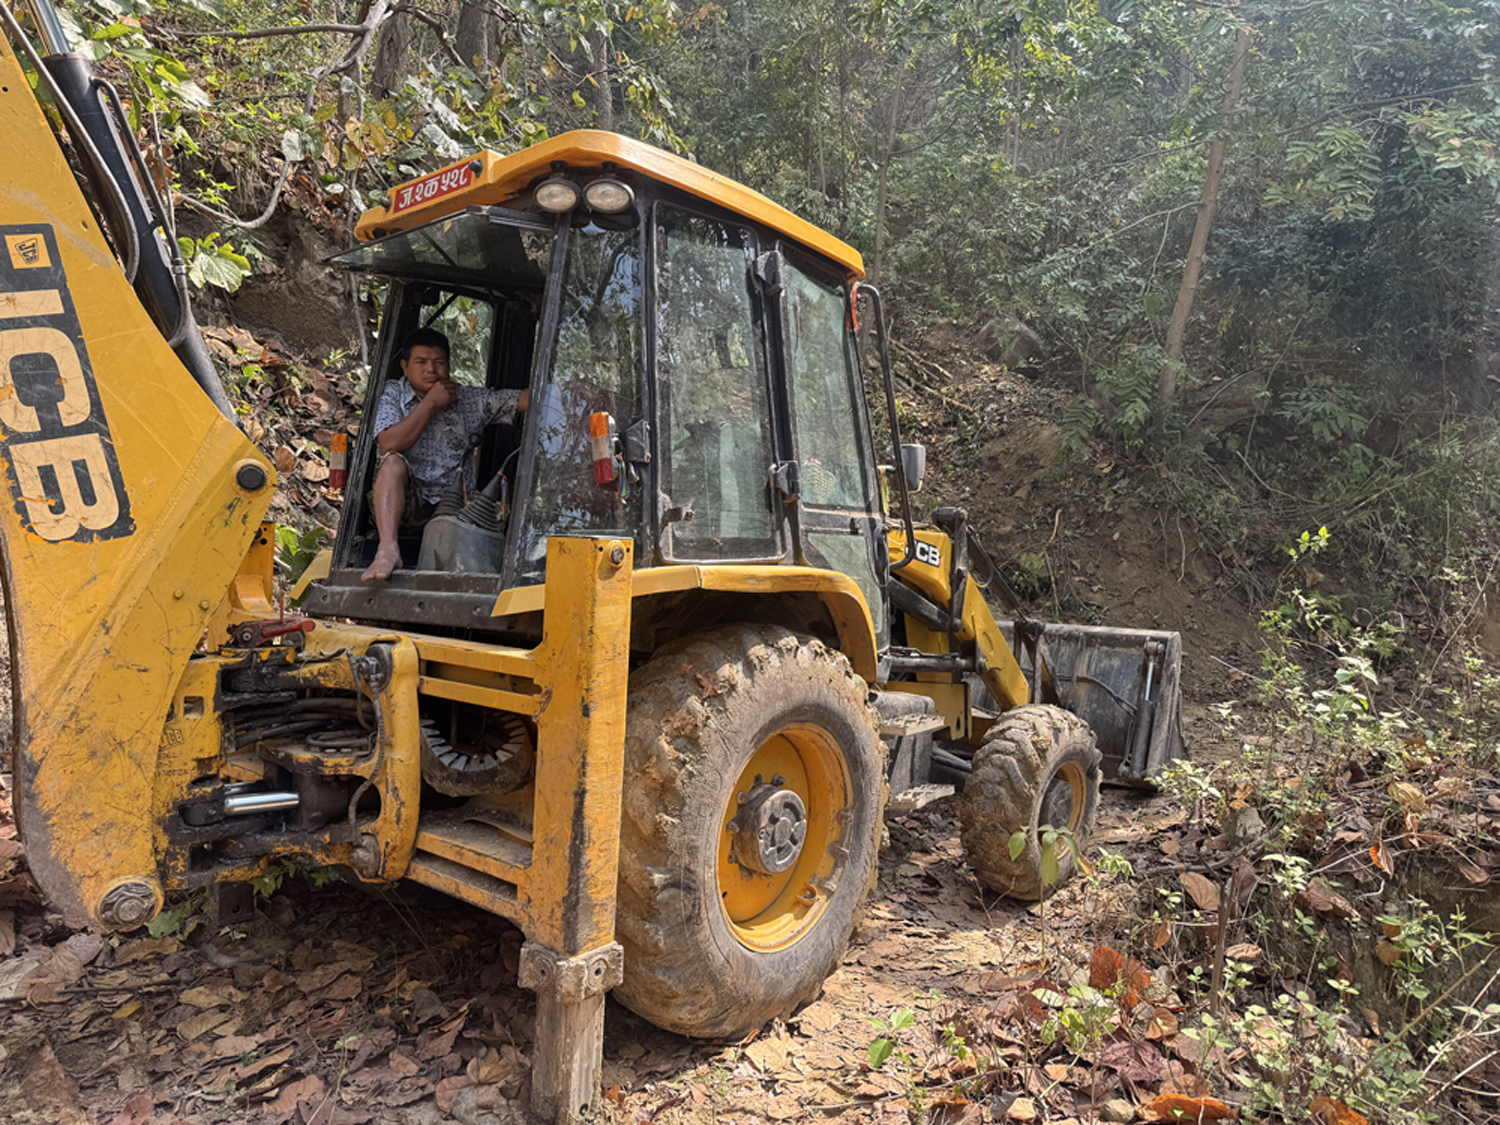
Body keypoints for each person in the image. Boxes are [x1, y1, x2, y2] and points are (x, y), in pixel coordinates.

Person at [361, 327, 530, 580]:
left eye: (439, 362)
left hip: (458, 508)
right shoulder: (393, 393)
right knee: (393, 462)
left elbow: (521, 399)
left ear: (449, 365)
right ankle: (387, 550)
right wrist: (430, 402)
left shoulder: (468, 399)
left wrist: (567, 391)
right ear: (405, 367)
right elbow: (390, 443)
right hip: (407, 506)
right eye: (421, 362)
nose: (431, 369)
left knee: (510, 512)